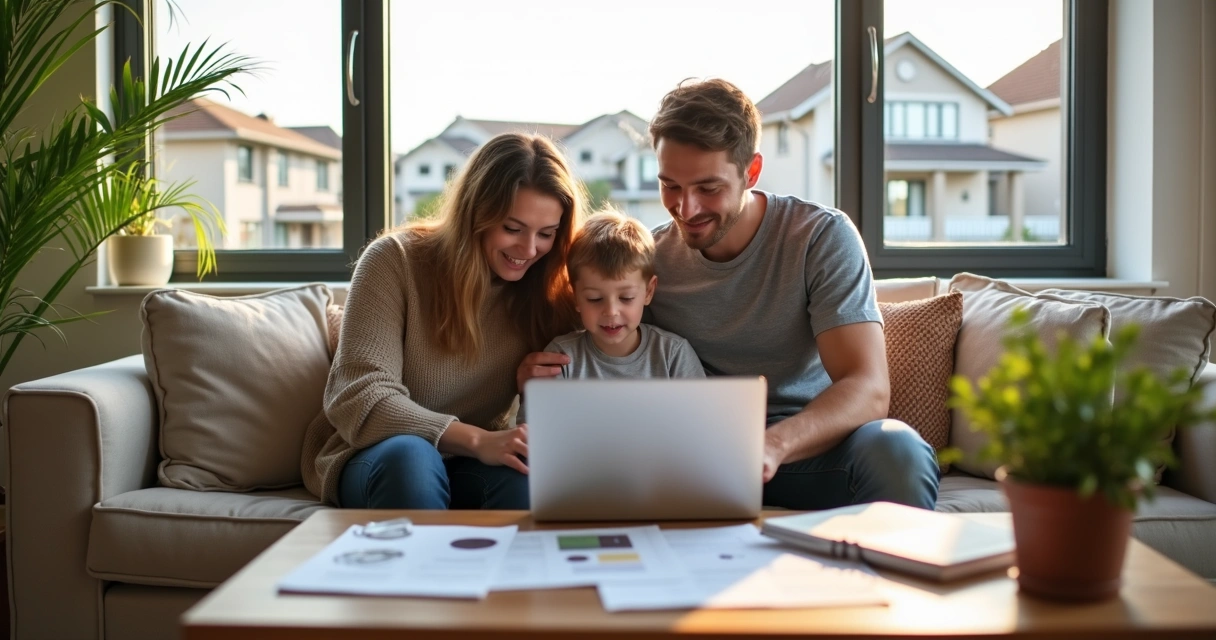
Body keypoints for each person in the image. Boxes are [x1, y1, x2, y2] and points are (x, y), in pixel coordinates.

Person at [518, 79, 939, 511]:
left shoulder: (819, 237)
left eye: (708, 188)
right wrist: (540, 376)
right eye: (670, 186)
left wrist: (771, 446)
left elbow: (867, 387)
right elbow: (598, 342)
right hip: (690, 458)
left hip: (804, 453)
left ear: (751, 172)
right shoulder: (647, 261)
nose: (686, 208)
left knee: (898, 450)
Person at [301, 132, 583, 510]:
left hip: (473, 462)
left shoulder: (548, 291)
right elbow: (358, 395)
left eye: (546, 234)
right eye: (512, 229)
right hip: (377, 454)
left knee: (527, 481)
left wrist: (537, 385)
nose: (529, 249)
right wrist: (477, 440)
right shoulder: (394, 261)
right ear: (475, 214)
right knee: (413, 459)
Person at [517, 210, 704, 421]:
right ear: (576, 297)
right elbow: (532, 433)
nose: (611, 312)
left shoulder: (673, 355)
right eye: (595, 299)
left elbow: (701, 424)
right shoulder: (561, 357)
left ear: (649, 291)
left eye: (626, 298)